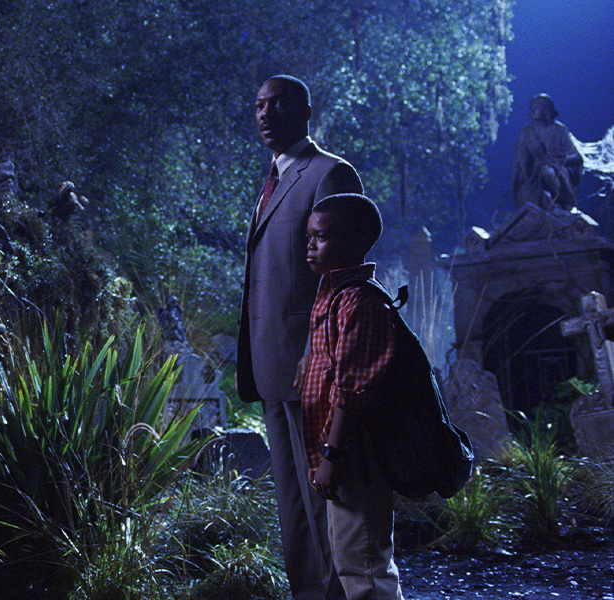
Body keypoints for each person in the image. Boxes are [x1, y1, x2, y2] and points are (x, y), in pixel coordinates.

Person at [236, 74, 362, 600]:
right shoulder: (269, 183)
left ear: (307, 112)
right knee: (294, 514)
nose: (266, 114)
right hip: (272, 371)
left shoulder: (329, 173)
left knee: (327, 513)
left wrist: (326, 362)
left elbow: (340, 276)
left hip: (313, 371)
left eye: (279, 104)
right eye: (260, 105)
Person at [301, 193, 402, 600]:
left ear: (354, 242)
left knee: (364, 567)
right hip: (340, 452)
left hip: (354, 452)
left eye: (321, 237)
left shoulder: (360, 302)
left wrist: (332, 456)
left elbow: (352, 390)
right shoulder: (334, 297)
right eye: (309, 236)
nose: (310, 246)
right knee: (350, 559)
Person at [513, 94, 583, 210]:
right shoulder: (526, 132)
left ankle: (565, 204)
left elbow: (577, 157)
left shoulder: (559, 130)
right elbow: (520, 160)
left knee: (547, 173)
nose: (533, 110)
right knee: (527, 190)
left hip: (557, 169)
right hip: (534, 174)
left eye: (537, 107)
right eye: (532, 107)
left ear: (546, 109)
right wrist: (516, 184)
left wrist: (560, 161)